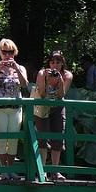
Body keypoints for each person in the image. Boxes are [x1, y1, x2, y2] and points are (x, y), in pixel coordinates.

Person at [0, 39, 29, 180]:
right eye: (4, 52)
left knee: (13, 139)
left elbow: (25, 85)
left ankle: (10, 169)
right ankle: (3, 170)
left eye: (10, 52)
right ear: (0, 52)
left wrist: (16, 68)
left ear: (14, 52)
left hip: (15, 108)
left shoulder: (21, 68)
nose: (7, 55)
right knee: (2, 138)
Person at [34, 50, 73, 181]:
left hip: (58, 107)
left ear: (62, 63)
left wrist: (60, 81)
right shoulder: (42, 73)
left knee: (58, 138)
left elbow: (61, 95)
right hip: (43, 108)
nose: (55, 65)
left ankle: (55, 171)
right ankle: (43, 170)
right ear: (49, 63)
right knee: (43, 139)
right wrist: (47, 80)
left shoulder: (67, 75)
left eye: (58, 62)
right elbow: (43, 94)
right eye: (52, 62)